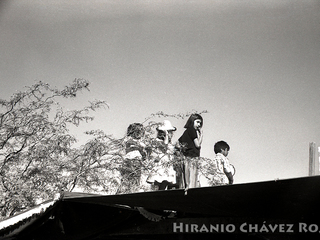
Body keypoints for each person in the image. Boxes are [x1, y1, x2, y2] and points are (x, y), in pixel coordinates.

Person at [146, 120, 178, 190]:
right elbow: (164, 147)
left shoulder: (171, 143)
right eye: (168, 132)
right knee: (159, 182)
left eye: (170, 132)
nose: (170, 134)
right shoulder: (157, 141)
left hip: (167, 165)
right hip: (160, 165)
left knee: (168, 181)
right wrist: (166, 136)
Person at [120, 123, 150, 193]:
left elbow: (142, 151)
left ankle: (131, 191)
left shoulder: (136, 142)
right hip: (131, 161)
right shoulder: (130, 141)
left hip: (136, 161)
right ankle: (129, 191)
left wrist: (144, 155)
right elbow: (134, 146)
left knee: (134, 180)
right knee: (130, 179)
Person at [176, 113, 203, 189]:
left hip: (186, 157)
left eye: (200, 123)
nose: (199, 125)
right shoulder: (192, 130)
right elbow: (198, 145)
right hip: (192, 158)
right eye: (197, 122)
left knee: (186, 181)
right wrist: (201, 136)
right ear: (192, 121)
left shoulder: (187, 131)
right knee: (192, 180)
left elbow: (178, 143)